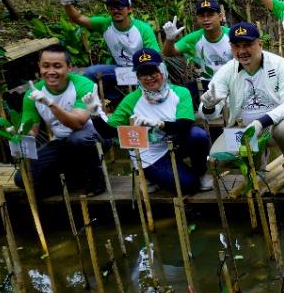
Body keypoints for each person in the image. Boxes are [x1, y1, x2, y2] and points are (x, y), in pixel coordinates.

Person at [200, 22, 284, 191]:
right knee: (216, 160)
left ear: (260, 44)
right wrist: (208, 106)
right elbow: (210, 111)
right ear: (230, 47)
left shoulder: (278, 64)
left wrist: (260, 122)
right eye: (236, 46)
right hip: (243, 130)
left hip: (273, 127)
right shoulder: (227, 70)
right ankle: (258, 163)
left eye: (248, 45)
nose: (242, 51)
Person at [89, 48, 212, 193]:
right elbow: (108, 133)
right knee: (189, 186)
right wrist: (95, 116)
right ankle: (153, 175)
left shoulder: (180, 93)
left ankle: (199, 172)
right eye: (143, 74)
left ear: (162, 71)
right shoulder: (131, 101)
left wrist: (159, 124)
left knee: (197, 135)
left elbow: (184, 126)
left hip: (175, 144)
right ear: (137, 76)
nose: (149, 78)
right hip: (151, 153)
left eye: (153, 72)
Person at [11, 44, 106, 196]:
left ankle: (97, 176)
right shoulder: (32, 93)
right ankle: (73, 179)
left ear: (69, 67)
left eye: (57, 66)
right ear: (39, 67)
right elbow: (31, 131)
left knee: (77, 139)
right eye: (45, 66)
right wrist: (18, 134)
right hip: (61, 141)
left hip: (93, 137)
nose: (51, 72)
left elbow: (78, 123)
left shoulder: (84, 85)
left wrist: (50, 104)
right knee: (22, 180)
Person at [60, 0, 159, 100]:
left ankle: (139, 98)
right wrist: (66, 4)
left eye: (120, 6)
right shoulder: (105, 24)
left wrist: (144, 74)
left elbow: (155, 57)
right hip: (122, 71)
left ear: (129, 9)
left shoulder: (142, 29)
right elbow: (79, 19)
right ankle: (118, 98)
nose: (116, 10)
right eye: (112, 7)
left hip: (143, 71)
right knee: (90, 73)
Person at [161, 0, 232, 107]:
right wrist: (170, 38)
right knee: (182, 94)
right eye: (202, 16)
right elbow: (169, 53)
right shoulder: (194, 38)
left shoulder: (232, 35)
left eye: (210, 15)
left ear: (220, 17)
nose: (206, 19)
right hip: (207, 83)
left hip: (232, 83)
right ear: (197, 19)